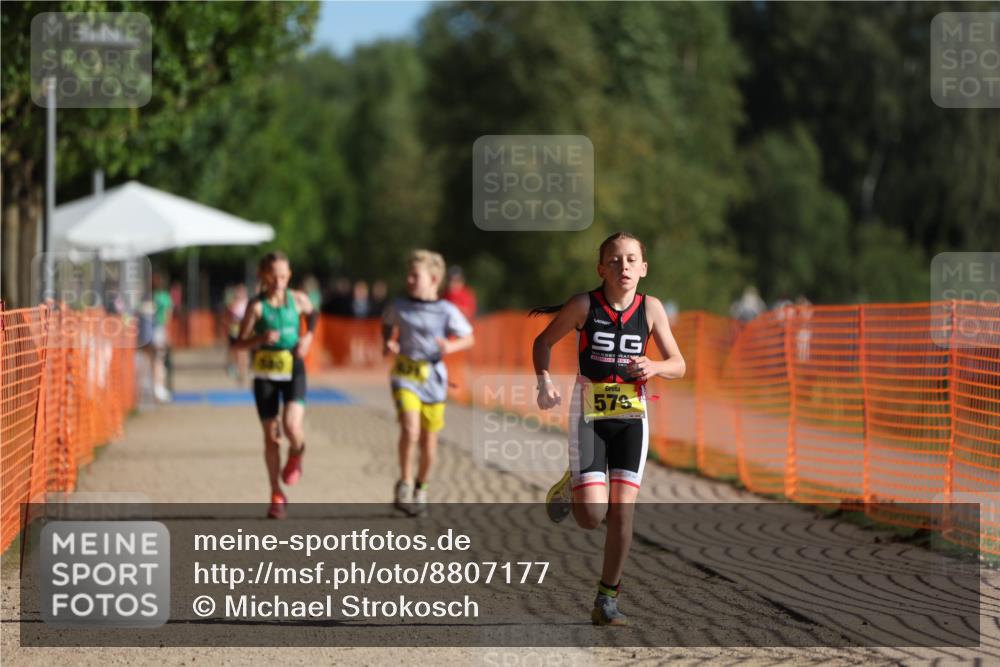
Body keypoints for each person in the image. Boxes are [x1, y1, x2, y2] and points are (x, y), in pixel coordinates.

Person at [531, 231, 685, 626]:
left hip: (633, 417)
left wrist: (656, 367)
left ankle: (607, 600)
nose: (624, 267)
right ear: (601, 268)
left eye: (632, 260)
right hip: (589, 413)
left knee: (623, 512)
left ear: (644, 268)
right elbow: (543, 342)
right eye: (615, 261)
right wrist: (544, 380)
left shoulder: (651, 309)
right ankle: (574, 482)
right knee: (592, 516)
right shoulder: (584, 305)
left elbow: (679, 363)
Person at [382, 250, 475, 516]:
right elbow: (387, 323)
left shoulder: (446, 310)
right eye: (408, 275)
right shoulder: (399, 305)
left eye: (415, 275)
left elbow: (469, 338)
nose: (409, 280)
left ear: (433, 279)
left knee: (428, 440)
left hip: (433, 378)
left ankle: (421, 488)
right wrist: (388, 341)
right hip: (405, 375)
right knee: (410, 430)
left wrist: (450, 344)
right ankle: (405, 481)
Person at [233, 251, 318, 519]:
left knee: (292, 425)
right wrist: (260, 340)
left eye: (283, 276)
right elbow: (239, 343)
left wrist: (308, 338)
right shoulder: (256, 306)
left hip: (294, 367)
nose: (279, 281)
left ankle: (296, 454)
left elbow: (313, 316)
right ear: (264, 276)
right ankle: (276, 494)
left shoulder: (299, 299)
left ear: (289, 275)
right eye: (273, 276)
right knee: (271, 437)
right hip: (265, 374)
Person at [151, 273, 173, 403]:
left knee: (158, 360)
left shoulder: (157, 297)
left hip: (157, 330)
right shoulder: (164, 297)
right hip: (158, 330)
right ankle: (158, 388)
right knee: (158, 360)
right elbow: (168, 316)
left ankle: (158, 388)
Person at [225, 283, 250, 384]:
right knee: (234, 352)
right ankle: (234, 368)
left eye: (241, 292)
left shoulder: (248, 303)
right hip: (234, 332)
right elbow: (228, 318)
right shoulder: (233, 304)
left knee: (243, 353)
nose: (239, 294)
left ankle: (242, 373)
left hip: (244, 332)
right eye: (238, 292)